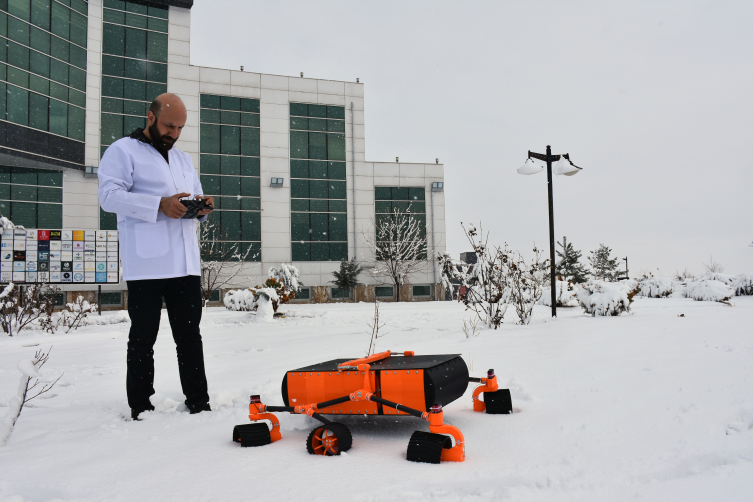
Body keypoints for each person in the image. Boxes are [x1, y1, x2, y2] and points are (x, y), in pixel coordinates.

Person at [98, 93, 215, 420]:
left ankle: (199, 401)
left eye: (180, 127)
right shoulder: (122, 151)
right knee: (143, 337)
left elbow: (189, 200)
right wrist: (158, 204)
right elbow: (108, 197)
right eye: (169, 125)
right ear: (150, 117)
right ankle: (140, 405)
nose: (174, 133)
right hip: (146, 264)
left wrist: (200, 208)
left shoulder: (183, 160)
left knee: (190, 336)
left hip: (185, 264)